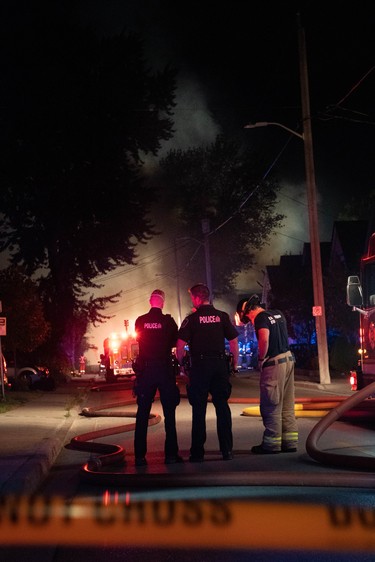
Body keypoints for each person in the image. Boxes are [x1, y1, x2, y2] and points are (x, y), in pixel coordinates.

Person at [176, 283, 239, 462]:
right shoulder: (222, 316)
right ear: (208, 297)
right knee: (222, 407)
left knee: (199, 409)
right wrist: (234, 365)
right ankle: (227, 450)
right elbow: (234, 342)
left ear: (196, 298)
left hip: (200, 368)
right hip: (219, 366)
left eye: (192, 298)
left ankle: (197, 453)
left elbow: (179, 347)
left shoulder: (192, 320)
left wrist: (182, 367)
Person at [236, 295, 298, 454]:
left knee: (271, 404)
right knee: (287, 405)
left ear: (247, 310)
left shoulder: (260, 318)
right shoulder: (277, 313)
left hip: (274, 363)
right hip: (288, 360)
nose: (248, 319)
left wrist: (261, 359)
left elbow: (264, 339)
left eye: (245, 315)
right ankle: (290, 442)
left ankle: (271, 443)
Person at [133, 289, 182, 467]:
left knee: (142, 414)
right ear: (162, 303)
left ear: (150, 302)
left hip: (145, 371)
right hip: (164, 369)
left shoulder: (140, 321)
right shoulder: (168, 321)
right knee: (170, 413)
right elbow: (175, 342)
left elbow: (139, 339)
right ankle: (171, 455)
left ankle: (139, 457)